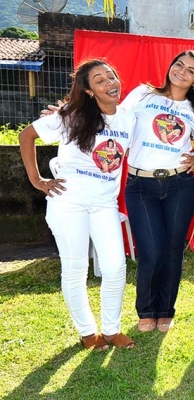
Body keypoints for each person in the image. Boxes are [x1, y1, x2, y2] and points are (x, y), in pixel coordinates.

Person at [19, 59, 136, 350]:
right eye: (100, 80)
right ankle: (87, 333)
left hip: (104, 204)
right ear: (88, 91)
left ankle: (111, 330)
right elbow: (27, 135)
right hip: (69, 203)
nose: (110, 83)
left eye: (112, 76)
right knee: (75, 268)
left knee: (115, 266)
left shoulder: (128, 118)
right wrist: (38, 180)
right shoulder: (70, 115)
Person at [121, 50, 194, 333]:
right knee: (151, 251)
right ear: (170, 66)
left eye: (190, 71)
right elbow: (111, 117)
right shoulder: (143, 95)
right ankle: (146, 310)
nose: (182, 72)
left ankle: (165, 310)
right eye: (179, 65)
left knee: (173, 251)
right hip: (140, 186)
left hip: (179, 186)